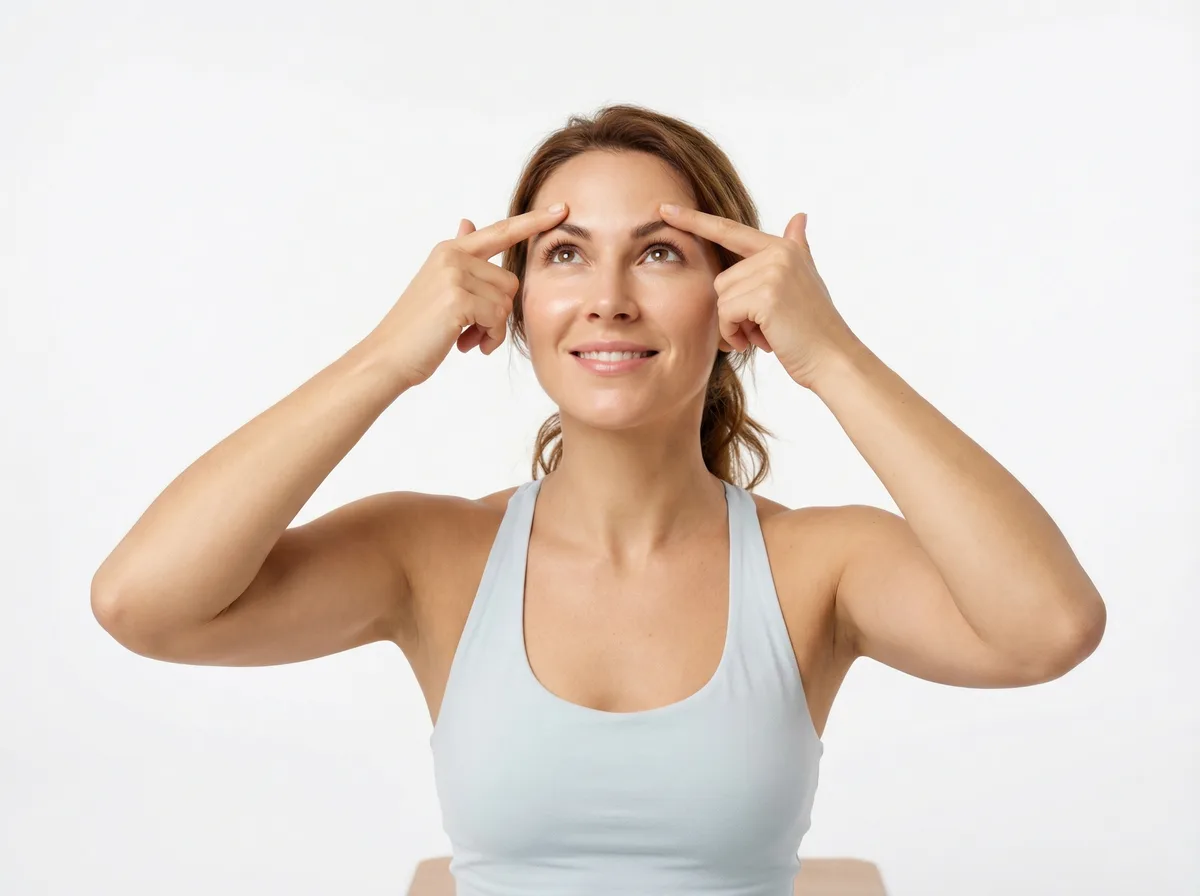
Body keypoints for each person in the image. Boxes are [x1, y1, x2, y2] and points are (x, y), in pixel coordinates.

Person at [90, 104, 1107, 895]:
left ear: (735, 295)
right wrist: (385, 358)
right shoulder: (432, 553)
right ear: (515, 304)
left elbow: (1049, 627)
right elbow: (144, 602)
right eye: (565, 253)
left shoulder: (817, 566)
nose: (609, 295)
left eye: (659, 251)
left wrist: (831, 354)